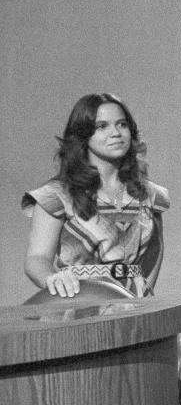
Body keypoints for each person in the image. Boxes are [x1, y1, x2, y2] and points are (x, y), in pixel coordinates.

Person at [23, 93, 169, 299]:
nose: (116, 133)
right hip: (81, 302)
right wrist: (52, 279)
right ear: (83, 135)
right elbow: (37, 258)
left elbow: (155, 253)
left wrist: (143, 297)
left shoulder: (149, 195)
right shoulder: (58, 194)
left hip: (135, 307)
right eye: (102, 126)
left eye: (122, 124)